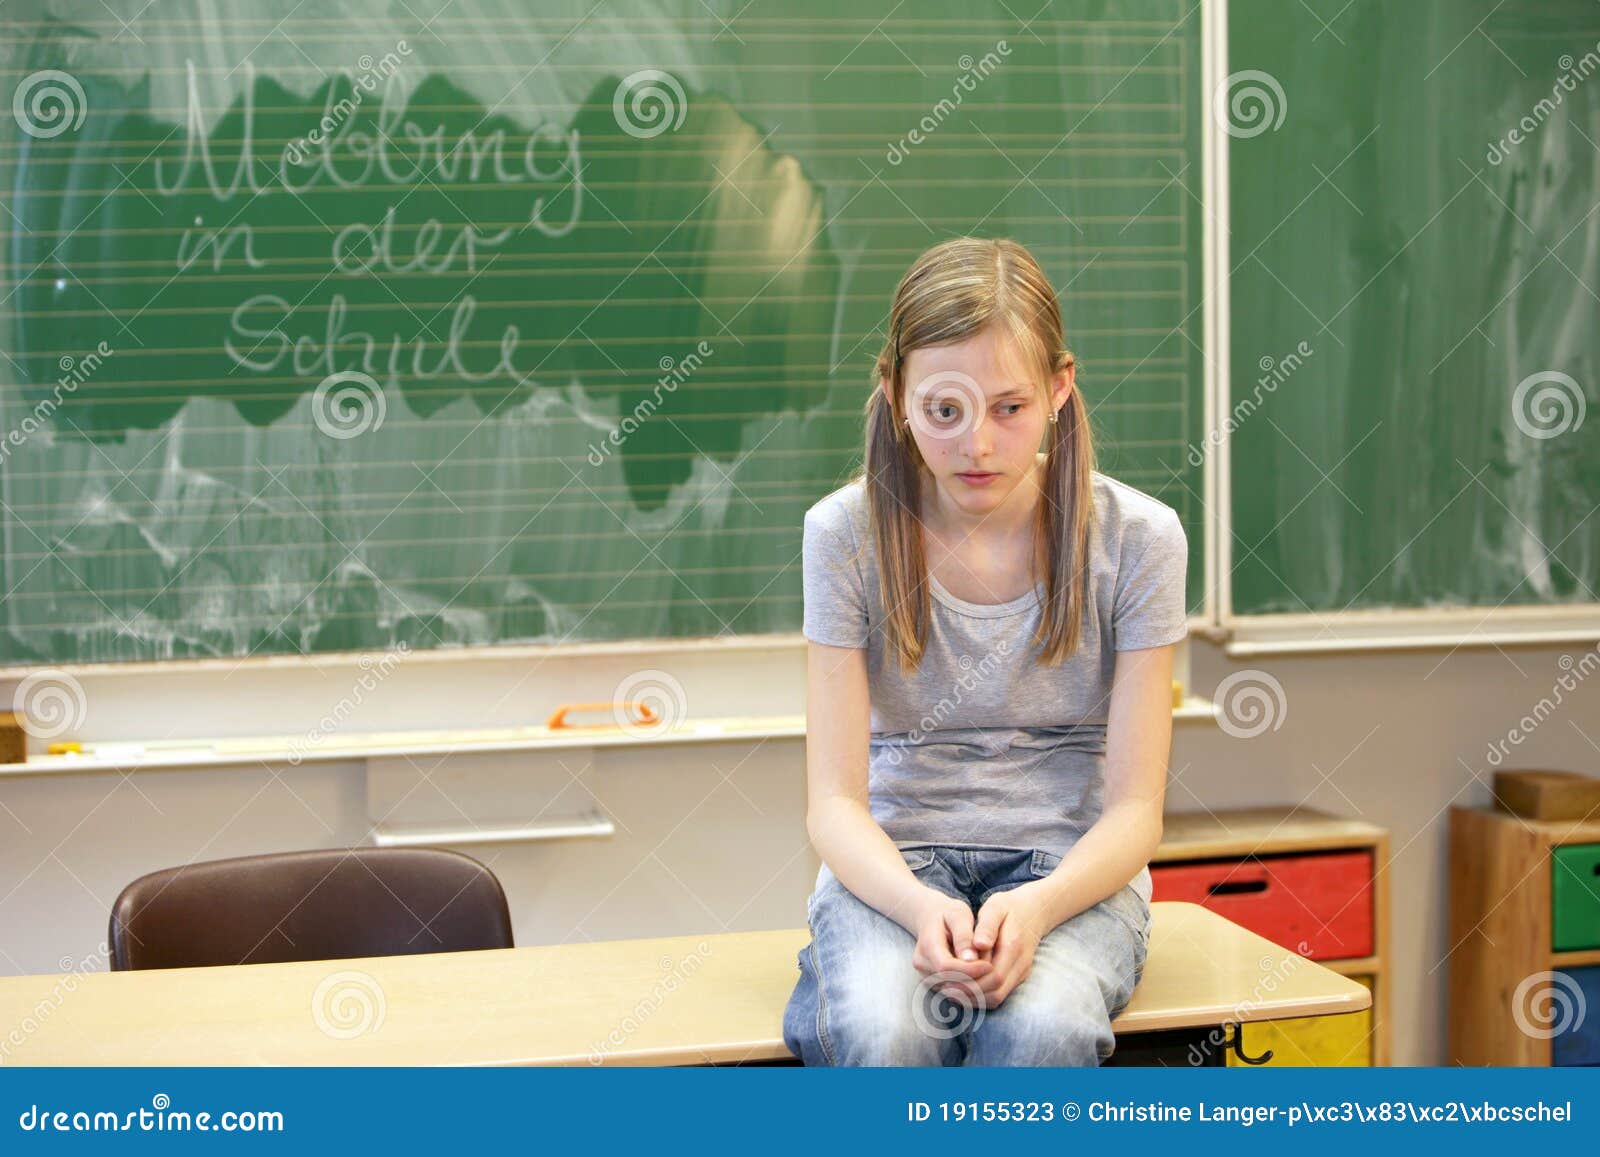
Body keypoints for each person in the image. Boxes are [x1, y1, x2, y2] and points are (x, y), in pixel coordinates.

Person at [781, 236, 1189, 1066]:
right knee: (885, 1029)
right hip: (894, 867)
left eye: (1010, 407)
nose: (977, 445)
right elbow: (833, 803)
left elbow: (1136, 813)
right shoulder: (843, 536)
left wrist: (1037, 907)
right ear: (896, 394)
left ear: (1059, 389)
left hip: (1069, 870)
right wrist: (915, 906)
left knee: (1041, 1030)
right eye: (944, 410)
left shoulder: (1139, 539)